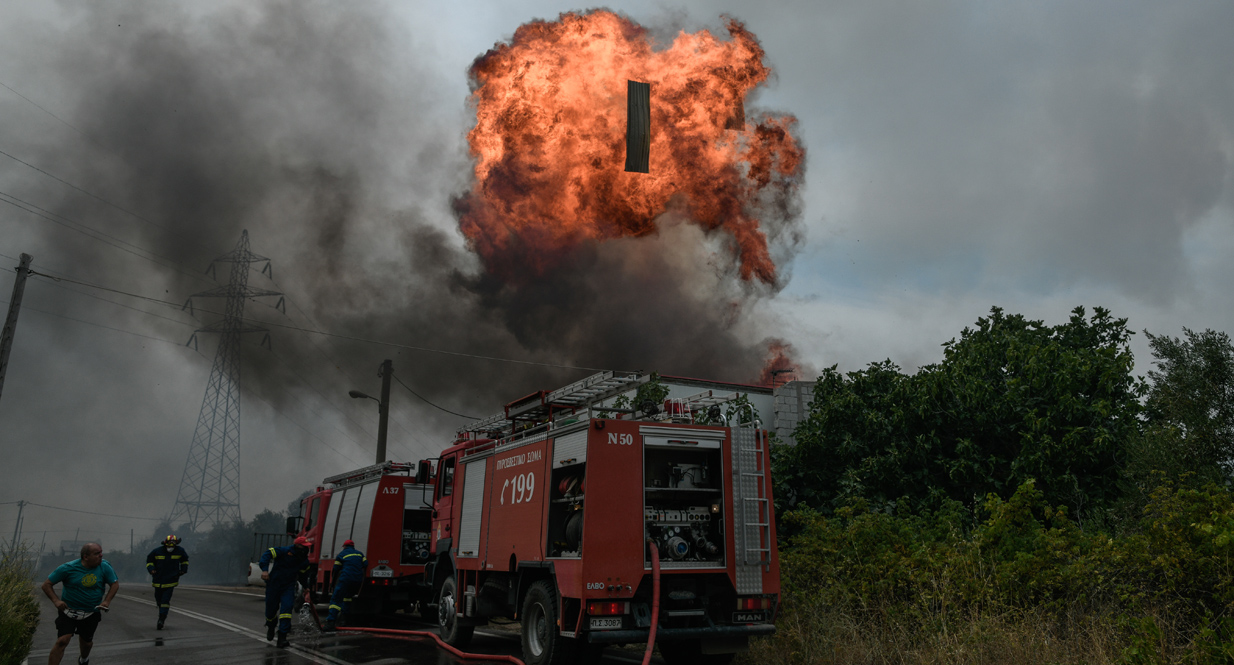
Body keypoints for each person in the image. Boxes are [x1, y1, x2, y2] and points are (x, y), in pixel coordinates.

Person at [41, 542, 119, 665]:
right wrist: (56, 601)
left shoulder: (104, 567)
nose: (101, 555)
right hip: (68, 611)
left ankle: (83, 660)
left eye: (101, 552)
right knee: (62, 641)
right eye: (96, 553)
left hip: (91, 612)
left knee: (86, 643)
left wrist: (106, 601)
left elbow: (114, 584)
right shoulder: (67, 568)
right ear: (85, 557)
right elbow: (46, 585)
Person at [259, 535, 314, 648]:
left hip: (288, 587)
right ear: (297, 545)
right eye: (304, 546)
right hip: (274, 584)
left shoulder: (304, 560)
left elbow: (303, 574)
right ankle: (271, 625)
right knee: (270, 611)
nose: (306, 549)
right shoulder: (284, 551)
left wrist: (305, 586)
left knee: (286, 609)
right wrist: (264, 570)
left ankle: (282, 637)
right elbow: (267, 554)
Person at [146, 534, 189, 630]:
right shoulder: (157, 551)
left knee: (165, 600)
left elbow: (185, 560)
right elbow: (149, 561)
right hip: (158, 580)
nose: (171, 547)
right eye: (169, 545)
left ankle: (161, 619)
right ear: (165, 544)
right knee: (159, 599)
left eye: (173, 545)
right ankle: (161, 609)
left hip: (171, 581)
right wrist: (151, 569)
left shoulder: (180, 551)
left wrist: (183, 570)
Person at [322, 538, 367, 631]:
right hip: (357, 580)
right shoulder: (360, 554)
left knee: (335, 600)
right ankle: (344, 620)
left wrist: (333, 583)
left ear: (345, 547)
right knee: (347, 598)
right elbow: (365, 564)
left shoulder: (341, 554)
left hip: (345, 579)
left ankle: (331, 622)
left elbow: (336, 569)